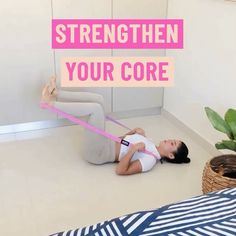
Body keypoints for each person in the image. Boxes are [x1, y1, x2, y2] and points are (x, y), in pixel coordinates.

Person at [41, 77, 190, 176]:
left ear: (171, 155)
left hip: (98, 153)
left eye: (172, 143)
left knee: (96, 109)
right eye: (173, 139)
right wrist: (133, 133)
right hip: (104, 142)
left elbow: (120, 170)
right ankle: (56, 93)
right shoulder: (150, 143)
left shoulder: (150, 161)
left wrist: (132, 149)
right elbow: (123, 143)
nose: (169, 140)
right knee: (100, 100)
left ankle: (49, 105)